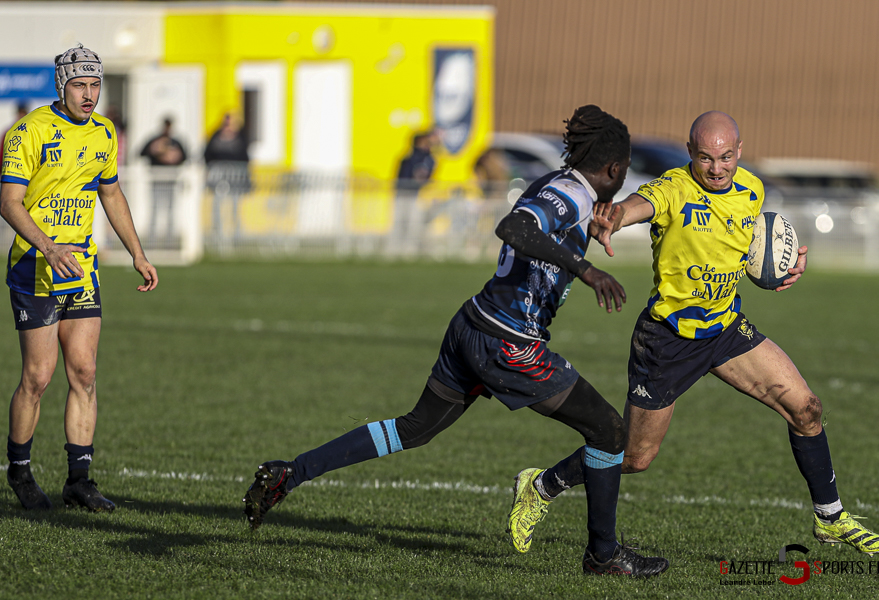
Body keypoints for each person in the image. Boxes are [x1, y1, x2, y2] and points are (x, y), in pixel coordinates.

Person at [242, 105, 669, 577]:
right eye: (625, 171)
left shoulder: (559, 184)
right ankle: (603, 556)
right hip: (509, 343)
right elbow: (514, 228)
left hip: (472, 324)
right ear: (613, 168)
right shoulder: (571, 194)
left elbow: (539, 224)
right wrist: (585, 269)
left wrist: (582, 235)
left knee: (414, 428)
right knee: (609, 431)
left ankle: (290, 474)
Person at [511, 111, 879, 557]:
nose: (717, 168)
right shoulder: (675, 188)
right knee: (634, 457)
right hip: (667, 341)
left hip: (726, 329)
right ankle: (541, 485)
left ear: (740, 151)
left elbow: (746, 249)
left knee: (806, 409)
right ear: (690, 152)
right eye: (706, 158)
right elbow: (640, 204)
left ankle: (830, 518)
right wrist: (613, 217)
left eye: (726, 157)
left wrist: (784, 267)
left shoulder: (752, 190)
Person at [0, 45, 159, 512]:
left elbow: (110, 193)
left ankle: (79, 480)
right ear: (60, 85)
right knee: (37, 377)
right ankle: (20, 471)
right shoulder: (28, 132)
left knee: (85, 372)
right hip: (36, 267)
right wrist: (48, 245)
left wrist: (137, 253)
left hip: (82, 269)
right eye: (79, 85)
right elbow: (9, 202)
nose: (89, 95)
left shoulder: (105, 132)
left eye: (95, 85)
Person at [389, 130, 438, 255]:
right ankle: (396, 249)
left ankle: (410, 250)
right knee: (400, 221)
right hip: (403, 194)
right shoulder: (409, 158)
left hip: (415, 195)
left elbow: (425, 177)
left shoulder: (428, 159)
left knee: (413, 223)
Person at [140, 117, 187, 245]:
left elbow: (185, 156)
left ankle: (169, 241)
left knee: (171, 209)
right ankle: (152, 240)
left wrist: (174, 156)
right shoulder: (155, 140)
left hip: (171, 180)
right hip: (157, 179)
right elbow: (141, 152)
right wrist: (155, 150)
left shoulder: (176, 142)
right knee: (154, 208)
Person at [203, 112, 250, 241]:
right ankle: (217, 234)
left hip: (236, 176)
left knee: (235, 206)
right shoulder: (216, 136)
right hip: (219, 176)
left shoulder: (240, 137)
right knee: (217, 205)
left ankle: (237, 236)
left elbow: (245, 157)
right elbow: (207, 154)